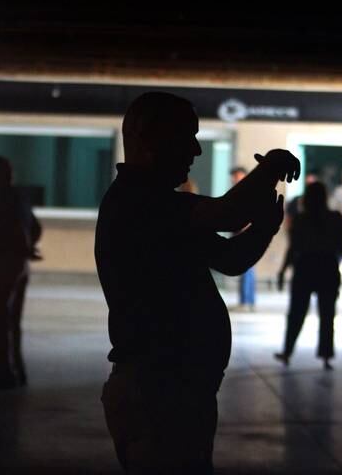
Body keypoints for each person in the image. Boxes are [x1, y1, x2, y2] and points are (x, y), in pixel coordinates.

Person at [96, 92, 299, 473]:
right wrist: (270, 167)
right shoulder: (138, 203)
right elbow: (228, 213)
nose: (195, 150)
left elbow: (230, 258)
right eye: (185, 136)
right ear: (146, 136)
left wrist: (264, 230)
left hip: (177, 389)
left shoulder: (162, 208)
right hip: (156, 391)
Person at [0, 156, 42, 390]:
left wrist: (17, 249)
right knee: (11, 320)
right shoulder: (17, 198)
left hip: (5, 265)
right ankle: (16, 369)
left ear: (1, 176)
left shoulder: (7, 200)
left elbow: (22, 230)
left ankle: (4, 371)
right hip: (16, 264)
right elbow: (35, 227)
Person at [274, 182, 342, 371]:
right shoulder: (336, 218)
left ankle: (287, 351)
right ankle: (326, 355)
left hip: (305, 267)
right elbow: (341, 247)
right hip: (328, 267)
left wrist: (283, 270)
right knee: (327, 314)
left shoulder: (301, 219)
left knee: (296, 313)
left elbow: (293, 247)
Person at [230, 167, 257, 311]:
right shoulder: (238, 192)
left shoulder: (248, 193)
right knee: (246, 268)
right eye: (234, 177)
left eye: (237, 176)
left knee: (246, 268)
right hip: (240, 233)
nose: (235, 179)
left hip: (246, 234)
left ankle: (246, 301)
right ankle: (246, 301)